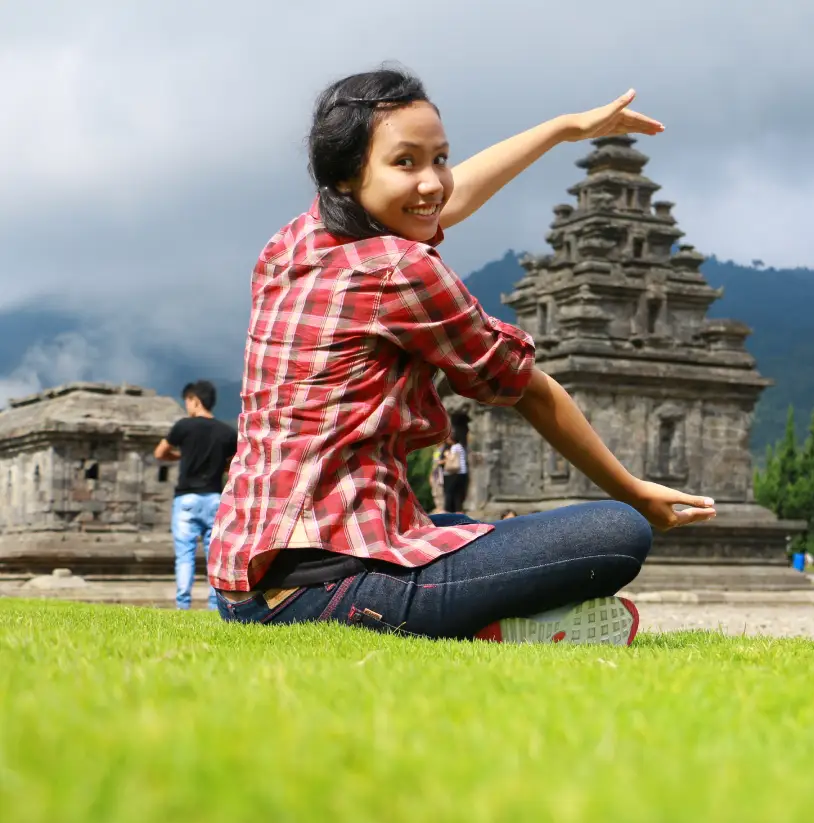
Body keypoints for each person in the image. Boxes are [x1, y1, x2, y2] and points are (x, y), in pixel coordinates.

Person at [207, 67, 714, 646]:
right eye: (406, 162)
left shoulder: (295, 241)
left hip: (244, 581)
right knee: (615, 532)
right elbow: (526, 388)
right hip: (324, 587)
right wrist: (634, 491)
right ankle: (480, 625)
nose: (432, 182)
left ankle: (489, 618)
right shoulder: (400, 269)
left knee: (455, 528)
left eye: (440, 158)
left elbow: (447, 198)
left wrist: (564, 129)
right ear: (347, 175)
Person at [154, 380, 238, 610]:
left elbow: (160, 452)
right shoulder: (227, 433)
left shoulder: (183, 427)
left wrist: (180, 457)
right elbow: (233, 465)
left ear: (195, 400)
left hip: (186, 499)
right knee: (215, 556)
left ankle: (183, 603)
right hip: (213, 498)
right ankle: (214, 604)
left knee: (185, 555)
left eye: (187, 401)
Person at [442, 413, 470, 514]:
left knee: (450, 492)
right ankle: (458, 510)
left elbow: (451, 459)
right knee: (458, 494)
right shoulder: (461, 447)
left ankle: (447, 510)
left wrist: (446, 455)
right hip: (463, 472)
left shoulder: (455, 447)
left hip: (456, 472)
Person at [428, 437, 451, 513]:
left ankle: (442, 507)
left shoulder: (446, 448)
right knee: (435, 491)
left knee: (441, 490)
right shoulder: (436, 450)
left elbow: (448, 459)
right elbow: (433, 463)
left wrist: (441, 462)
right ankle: (438, 507)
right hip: (435, 472)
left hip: (441, 472)